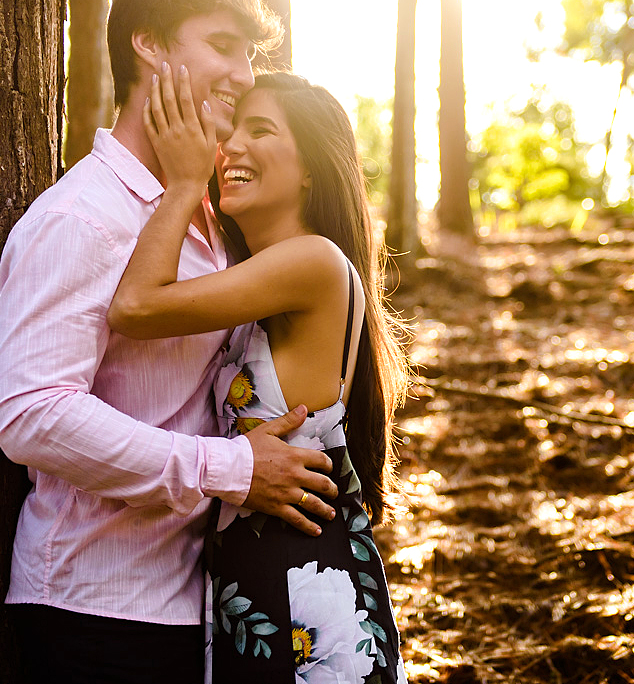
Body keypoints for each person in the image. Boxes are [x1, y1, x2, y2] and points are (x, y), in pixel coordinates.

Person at [0, 0, 338, 684]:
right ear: (147, 44)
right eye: (222, 45)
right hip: (95, 604)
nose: (243, 73)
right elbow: (29, 412)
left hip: (198, 604)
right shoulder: (80, 217)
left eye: (249, 53)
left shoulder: (211, 217)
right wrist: (231, 467)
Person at [107, 67, 410, 682]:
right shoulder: (253, 275)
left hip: (307, 599)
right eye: (234, 127)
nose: (232, 145)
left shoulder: (312, 261)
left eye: (261, 129)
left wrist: (185, 183)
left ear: (308, 168)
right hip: (252, 594)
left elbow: (135, 307)